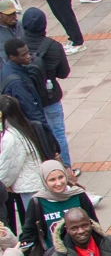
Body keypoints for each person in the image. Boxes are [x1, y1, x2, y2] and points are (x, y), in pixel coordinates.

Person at [19, 10, 71, 164]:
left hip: (28, 98)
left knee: (33, 134)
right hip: (50, 97)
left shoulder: (19, 47)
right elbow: (64, 72)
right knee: (58, 133)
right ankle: (65, 168)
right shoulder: (54, 46)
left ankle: (43, 167)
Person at [21, 163, 97, 254]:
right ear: (44, 181)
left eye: (61, 177)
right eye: (52, 180)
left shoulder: (78, 195)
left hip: (84, 253)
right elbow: (30, 231)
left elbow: (93, 222)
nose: (58, 183)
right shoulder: (37, 201)